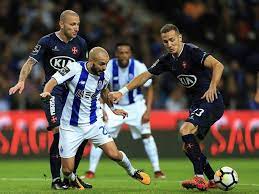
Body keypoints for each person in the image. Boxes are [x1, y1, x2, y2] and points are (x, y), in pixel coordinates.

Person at [109, 24, 225, 191]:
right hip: (197, 104)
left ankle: (199, 178)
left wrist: (213, 86)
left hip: (211, 101)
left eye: (172, 40)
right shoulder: (167, 60)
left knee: (185, 130)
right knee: (188, 147)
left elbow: (218, 65)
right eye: (165, 41)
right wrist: (122, 92)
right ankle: (213, 179)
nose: (170, 44)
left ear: (180, 38)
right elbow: (144, 76)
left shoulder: (192, 51)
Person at [40, 47, 151, 189]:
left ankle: (133, 171)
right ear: (91, 62)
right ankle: (73, 179)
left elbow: (104, 91)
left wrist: (113, 109)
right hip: (71, 126)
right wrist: (46, 92)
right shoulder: (74, 68)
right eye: (101, 64)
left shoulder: (105, 75)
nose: (104, 67)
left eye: (106, 63)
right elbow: (53, 80)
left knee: (114, 154)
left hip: (94, 123)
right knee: (67, 170)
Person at [9, 10, 91, 190]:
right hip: (52, 92)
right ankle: (56, 179)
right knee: (58, 131)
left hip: (73, 95)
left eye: (78, 24)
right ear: (61, 24)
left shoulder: (81, 43)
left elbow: (85, 70)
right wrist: (21, 81)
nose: (76, 27)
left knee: (82, 135)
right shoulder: (46, 41)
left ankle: (71, 177)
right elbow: (30, 62)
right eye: (72, 24)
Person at [83, 42, 165, 179]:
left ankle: (157, 170)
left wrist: (148, 110)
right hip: (114, 106)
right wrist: (102, 108)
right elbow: (101, 88)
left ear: (130, 54)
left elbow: (149, 87)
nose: (123, 55)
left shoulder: (138, 66)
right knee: (100, 135)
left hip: (136, 105)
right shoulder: (107, 65)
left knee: (146, 135)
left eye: (126, 52)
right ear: (116, 54)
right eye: (121, 52)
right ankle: (91, 171)